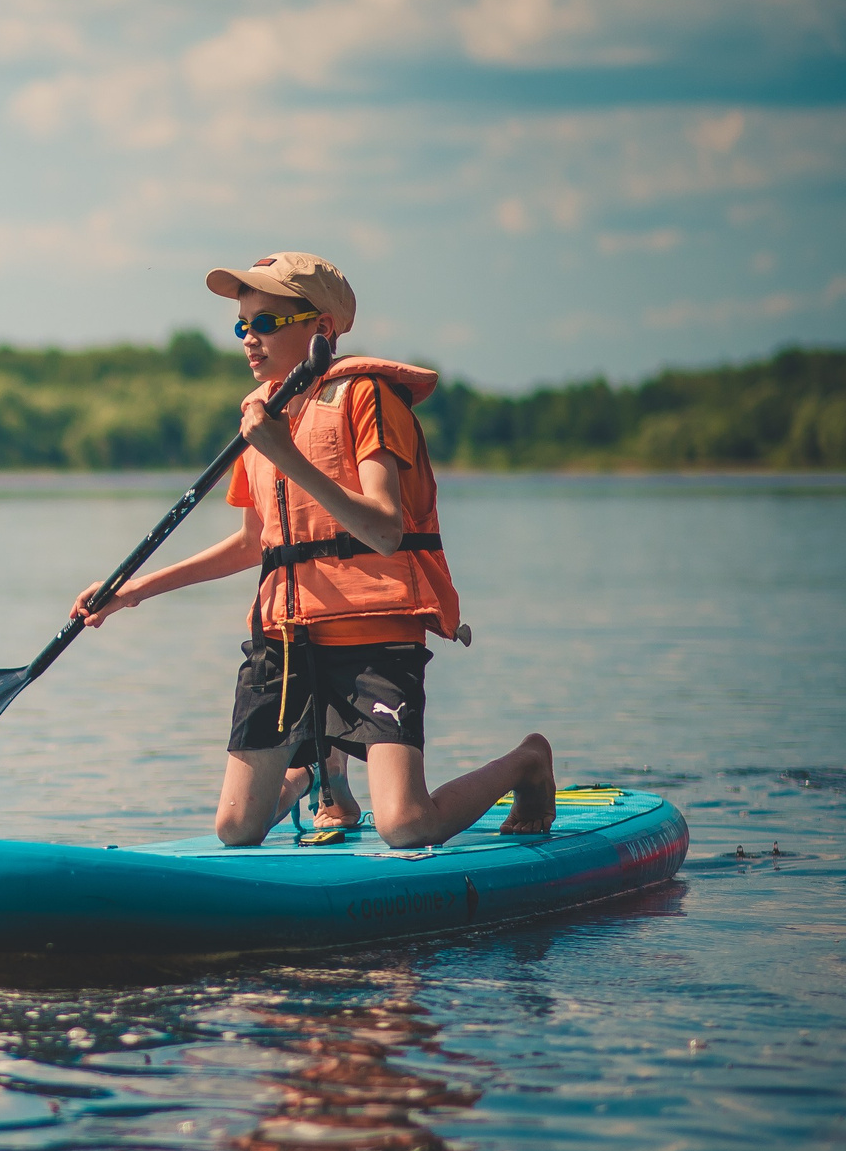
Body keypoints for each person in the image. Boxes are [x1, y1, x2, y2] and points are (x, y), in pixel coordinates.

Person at [70, 252, 556, 848]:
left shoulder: (367, 397)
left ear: (321, 330)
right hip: (285, 639)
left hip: (374, 634)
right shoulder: (263, 415)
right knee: (235, 828)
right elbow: (255, 544)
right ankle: (315, 777)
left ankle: (526, 763)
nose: (249, 339)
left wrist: (284, 455)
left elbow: (385, 530)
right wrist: (131, 592)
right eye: (241, 325)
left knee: (405, 827)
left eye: (267, 323)